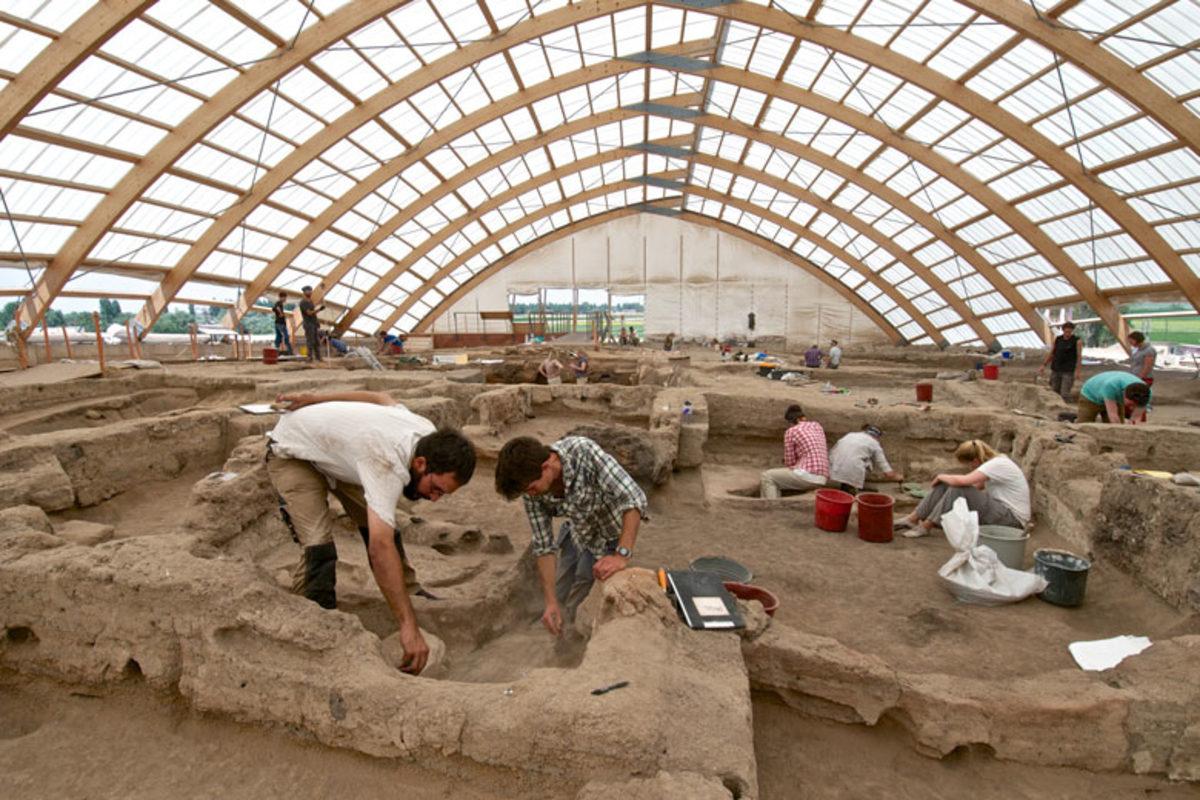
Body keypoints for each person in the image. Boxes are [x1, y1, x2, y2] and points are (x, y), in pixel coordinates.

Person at [266, 390, 476, 674]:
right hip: (293, 452)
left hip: (341, 456)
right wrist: (408, 628)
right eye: (435, 489)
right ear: (421, 463)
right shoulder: (385, 460)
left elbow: (381, 397)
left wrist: (314, 398)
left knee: (381, 523)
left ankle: (412, 594)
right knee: (319, 545)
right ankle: (316, 627)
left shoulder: (424, 432)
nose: (435, 499)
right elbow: (379, 548)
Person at [494, 436, 647, 635]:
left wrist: (621, 555)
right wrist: (550, 603)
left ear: (547, 465)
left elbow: (633, 498)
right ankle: (562, 626)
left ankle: (580, 637)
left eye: (531, 488)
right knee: (561, 587)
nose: (530, 495)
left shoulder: (583, 453)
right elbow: (543, 545)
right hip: (579, 531)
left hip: (612, 533)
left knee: (586, 582)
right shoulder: (531, 490)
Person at [894, 440, 1029, 538]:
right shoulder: (996, 462)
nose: (970, 468)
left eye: (969, 464)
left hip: (1013, 521)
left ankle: (926, 526)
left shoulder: (997, 464)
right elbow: (978, 486)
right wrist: (947, 484)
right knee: (950, 485)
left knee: (958, 488)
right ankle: (912, 519)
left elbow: (962, 482)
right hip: (1001, 512)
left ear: (975, 461)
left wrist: (941, 476)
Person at [760, 404, 828, 499]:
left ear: (793, 421)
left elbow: (790, 462)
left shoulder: (791, 431)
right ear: (803, 418)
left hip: (807, 475)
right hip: (822, 478)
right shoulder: (817, 426)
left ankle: (771, 508)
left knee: (767, 476)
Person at [828, 424, 902, 495]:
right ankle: (850, 492)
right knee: (849, 494)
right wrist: (899, 478)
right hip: (852, 471)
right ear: (877, 436)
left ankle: (845, 490)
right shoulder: (874, 443)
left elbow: (833, 452)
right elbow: (888, 472)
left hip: (834, 468)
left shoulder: (850, 435)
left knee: (853, 462)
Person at [1077, 371, 1151, 424]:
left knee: (1116, 424)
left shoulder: (1146, 393)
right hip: (1091, 395)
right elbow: (1113, 415)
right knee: (1084, 423)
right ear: (1124, 394)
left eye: (1136, 405)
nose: (1132, 408)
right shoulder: (1111, 386)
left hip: (1114, 397)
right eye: (1130, 405)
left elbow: (1136, 418)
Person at [1038, 320, 1082, 402]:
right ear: (1063, 330)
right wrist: (1044, 365)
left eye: (1069, 331)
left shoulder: (1077, 341)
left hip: (1068, 370)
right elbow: (1052, 353)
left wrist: (1078, 370)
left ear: (1072, 331)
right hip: (1056, 368)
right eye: (1066, 331)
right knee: (1054, 391)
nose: (1068, 333)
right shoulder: (1058, 339)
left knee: (1064, 393)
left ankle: (1068, 407)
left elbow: (1079, 356)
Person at [299, 286, 324, 362]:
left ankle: (318, 357)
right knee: (310, 341)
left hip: (313, 323)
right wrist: (319, 310)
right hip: (308, 324)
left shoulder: (310, 301)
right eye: (308, 290)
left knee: (316, 341)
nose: (310, 292)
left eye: (311, 290)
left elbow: (313, 314)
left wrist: (317, 322)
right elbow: (309, 313)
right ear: (304, 292)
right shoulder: (303, 302)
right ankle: (309, 357)